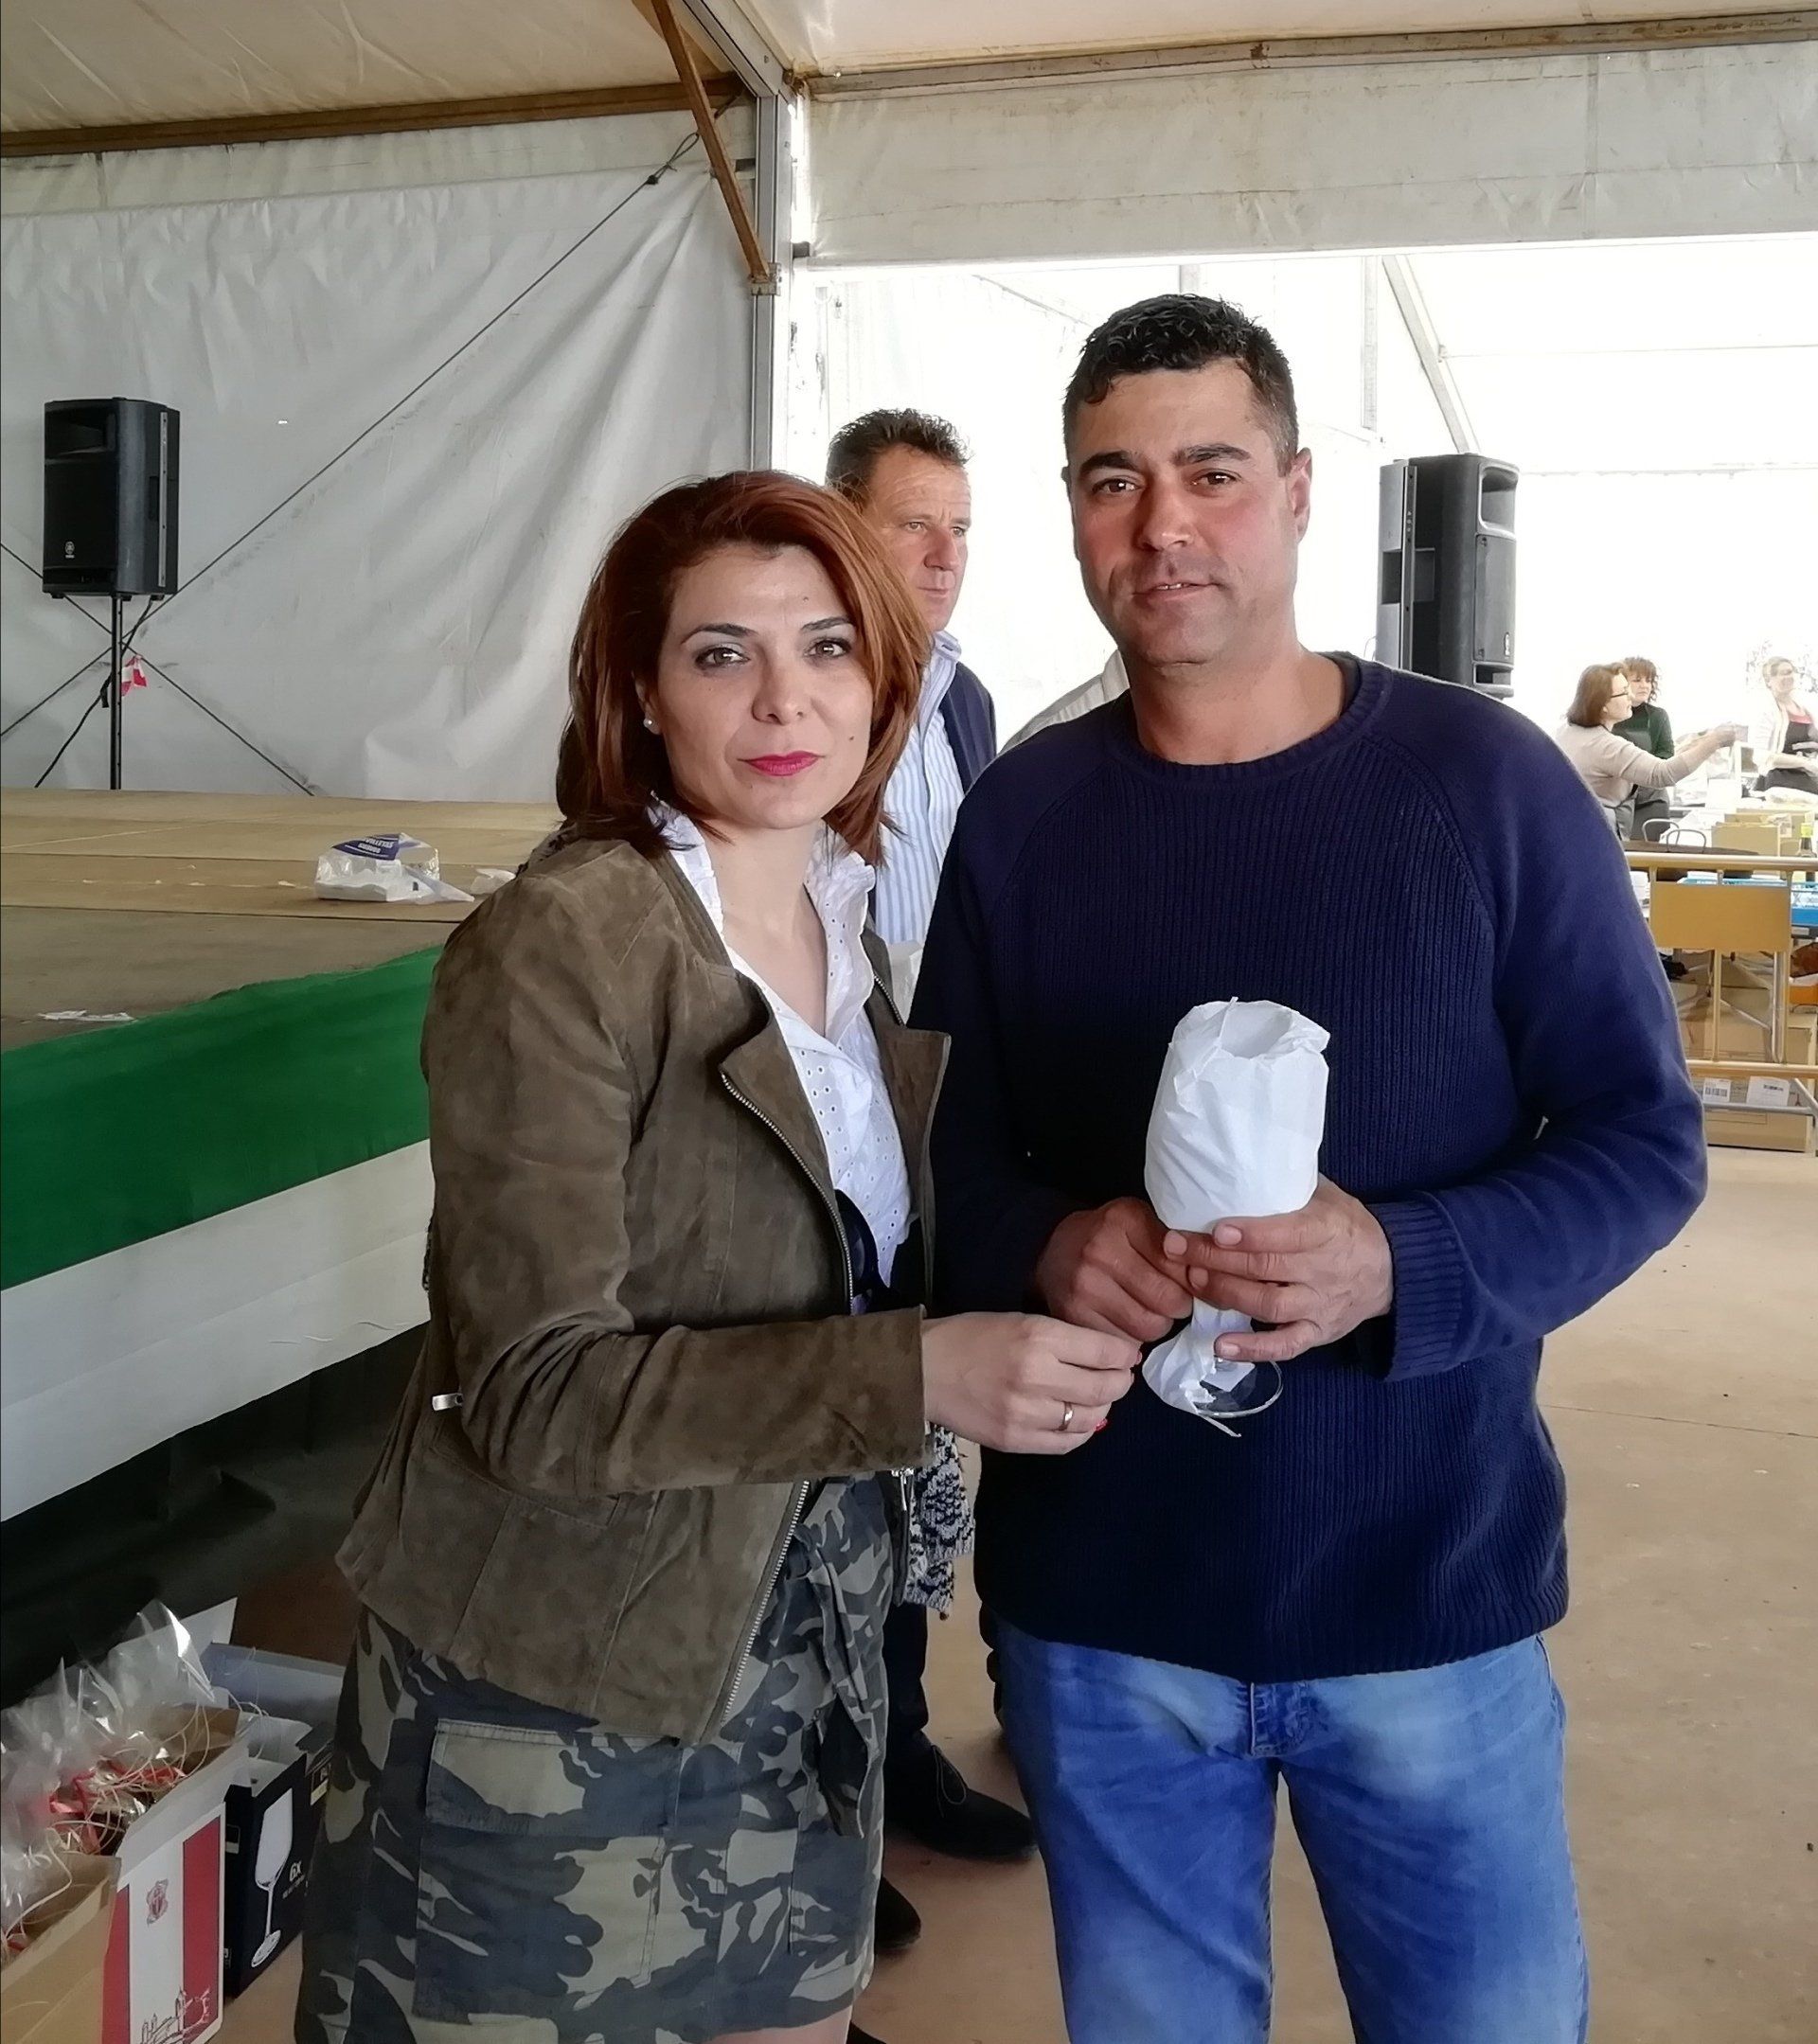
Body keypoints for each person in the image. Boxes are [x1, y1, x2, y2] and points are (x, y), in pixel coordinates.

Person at [913, 294, 1711, 2044]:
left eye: (1211, 470)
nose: (1163, 524)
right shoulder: (1024, 815)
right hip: (1106, 1612)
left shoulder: (1483, 784)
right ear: (1072, 511)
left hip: (1423, 1592)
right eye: (1113, 480)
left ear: (1294, 491)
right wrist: (1046, 1242)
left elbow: (1644, 1139)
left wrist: (1401, 1261)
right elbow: (942, 1150)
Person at [294, 471, 1137, 2044]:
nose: (784, 699)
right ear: (639, 688)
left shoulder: (843, 923)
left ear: (886, 674)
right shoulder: (566, 942)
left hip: (803, 1669)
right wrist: (919, 1369)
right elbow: (535, 1392)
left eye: (827, 645)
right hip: (559, 1688)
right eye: (720, 652)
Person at [824, 411, 1036, 1951]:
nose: (944, 553)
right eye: (914, 522)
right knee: (820, 1468)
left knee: (916, 1467)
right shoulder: (803, 683)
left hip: (935, 1120)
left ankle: (893, 1756)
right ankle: (816, 1811)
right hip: (819, 1119)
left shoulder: (965, 700)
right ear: (840, 524)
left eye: (960, 525)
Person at [1553, 662, 1739, 827]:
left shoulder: (1565, 731)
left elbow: (1664, 757)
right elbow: (1663, 773)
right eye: (1624, 691)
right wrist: (1714, 741)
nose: (1630, 695)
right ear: (1603, 704)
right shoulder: (1606, 745)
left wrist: (1694, 745)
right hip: (1598, 829)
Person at [1610, 656, 1676, 841]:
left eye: (1649, 680)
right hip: (1616, 800)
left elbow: (1666, 755)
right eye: (1637, 680)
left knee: (1646, 851)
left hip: (1651, 800)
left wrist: (1639, 770)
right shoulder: (1609, 716)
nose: (1644, 686)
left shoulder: (1657, 716)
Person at [1748, 651, 1818, 796]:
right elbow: (1760, 755)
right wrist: (1803, 763)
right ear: (1769, 681)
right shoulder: (1765, 711)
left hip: (1809, 780)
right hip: (1780, 783)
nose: (1788, 677)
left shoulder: (1808, 707)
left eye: (1790, 672)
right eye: (1782, 674)